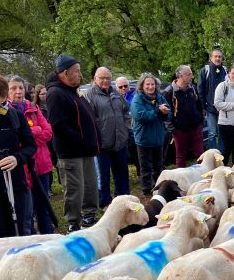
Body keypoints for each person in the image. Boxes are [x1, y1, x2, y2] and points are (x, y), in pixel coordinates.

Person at [46, 54, 99, 232]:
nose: (80, 74)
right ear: (64, 72)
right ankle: (73, 223)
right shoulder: (56, 94)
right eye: (76, 71)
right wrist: (81, 140)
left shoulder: (73, 92)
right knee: (75, 190)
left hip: (86, 151)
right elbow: (58, 125)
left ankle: (89, 216)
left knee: (90, 185)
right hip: (71, 153)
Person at [0, 73, 37, 240]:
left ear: (2, 95)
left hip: (15, 185)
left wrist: (17, 158)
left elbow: (31, 146)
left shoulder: (14, 116)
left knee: (20, 232)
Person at [8, 75, 54, 233]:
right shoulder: (7, 113)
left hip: (42, 164)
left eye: (20, 88)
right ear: (6, 92)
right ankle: (31, 239)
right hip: (24, 167)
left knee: (44, 205)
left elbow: (48, 132)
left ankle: (47, 236)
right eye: (13, 88)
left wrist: (29, 136)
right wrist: (35, 130)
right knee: (27, 208)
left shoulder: (33, 108)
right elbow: (16, 142)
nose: (18, 91)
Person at [84, 67, 131, 209]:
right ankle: (105, 203)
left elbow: (126, 112)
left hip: (120, 142)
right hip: (102, 145)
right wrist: (97, 138)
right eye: (102, 78)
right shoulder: (89, 96)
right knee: (103, 176)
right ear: (95, 79)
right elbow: (89, 121)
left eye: (108, 78)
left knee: (122, 173)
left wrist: (126, 129)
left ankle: (123, 199)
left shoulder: (116, 94)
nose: (105, 81)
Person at [130, 73, 171, 197]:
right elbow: (141, 116)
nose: (150, 87)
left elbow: (168, 114)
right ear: (142, 85)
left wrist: (164, 113)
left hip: (158, 138)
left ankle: (158, 188)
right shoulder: (137, 99)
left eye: (152, 84)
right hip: (144, 138)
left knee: (158, 166)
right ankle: (147, 190)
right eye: (147, 84)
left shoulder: (159, 97)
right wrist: (158, 111)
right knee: (146, 167)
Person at [163, 65, 204, 168]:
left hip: (196, 127)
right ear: (179, 76)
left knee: (200, 154)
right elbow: (165, 114)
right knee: (181, 156)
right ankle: (181, 179)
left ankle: (204, 176)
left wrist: (200, 121)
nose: (192, 76)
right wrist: (173, 130)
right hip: (179, 130)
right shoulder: (169, 92)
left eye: (191, 74)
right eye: (189, 74)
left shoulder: (193, 88)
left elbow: (199, 105)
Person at [197, 48, 227, 152]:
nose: (218, 58)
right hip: (210, 108)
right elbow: (200, 89)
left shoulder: (225, 71)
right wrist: (203, 106)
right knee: (212, 133)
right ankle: (214, 156)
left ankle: (223, 156)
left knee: (222, 133)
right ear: (210, 58)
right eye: (216, 56)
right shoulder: (205, 70)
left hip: (223, 108)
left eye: (220, 57)